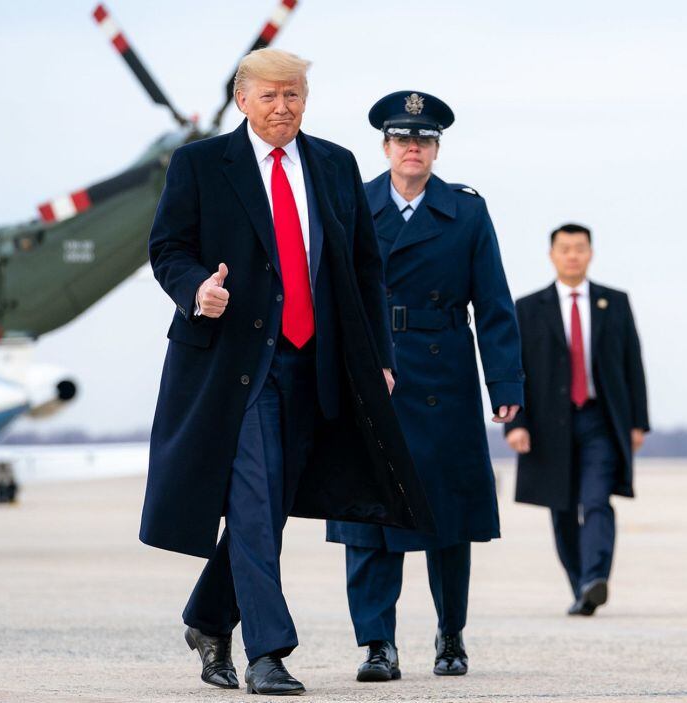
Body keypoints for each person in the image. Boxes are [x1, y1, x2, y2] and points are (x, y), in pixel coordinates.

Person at [142, 49, 433, 696]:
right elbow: (167, 248)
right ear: (242, 100)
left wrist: (380, 357)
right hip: (237, 368)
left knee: (267, 509)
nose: (283, 107)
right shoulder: (200, 165)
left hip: (317, 362)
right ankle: (268, 651)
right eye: (270, 96)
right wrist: (196, 290)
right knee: (251, 498)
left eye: (294, 95)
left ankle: (207, 619)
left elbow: (364, 269)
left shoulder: (334, 164)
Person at [325, 91, 523, 682]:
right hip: (370, 376)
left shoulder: (466, 211)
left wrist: (506, 382)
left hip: (445, 375)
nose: (413, 148)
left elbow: (492, 301)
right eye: (402, 139)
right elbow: (329, 294)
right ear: (385, 147)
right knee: (370, 515)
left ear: (436, 149)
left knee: (446, 515)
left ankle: (451, 635)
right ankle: (376, 644)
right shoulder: (351, 204)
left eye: (425, 140)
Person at [505, 224, 649, 616]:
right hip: (548, 424)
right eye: (565, 248)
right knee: (562, 508)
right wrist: (515, 423)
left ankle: (595, 577)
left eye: (579, 248)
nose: (572, 255)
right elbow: (515, 369)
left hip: (600, 419)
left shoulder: (614, 302)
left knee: (597, 499)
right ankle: (581, 585)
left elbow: (631, 362)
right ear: (552, 255)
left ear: (590, 253)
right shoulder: (528, 308)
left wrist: (638, 422)